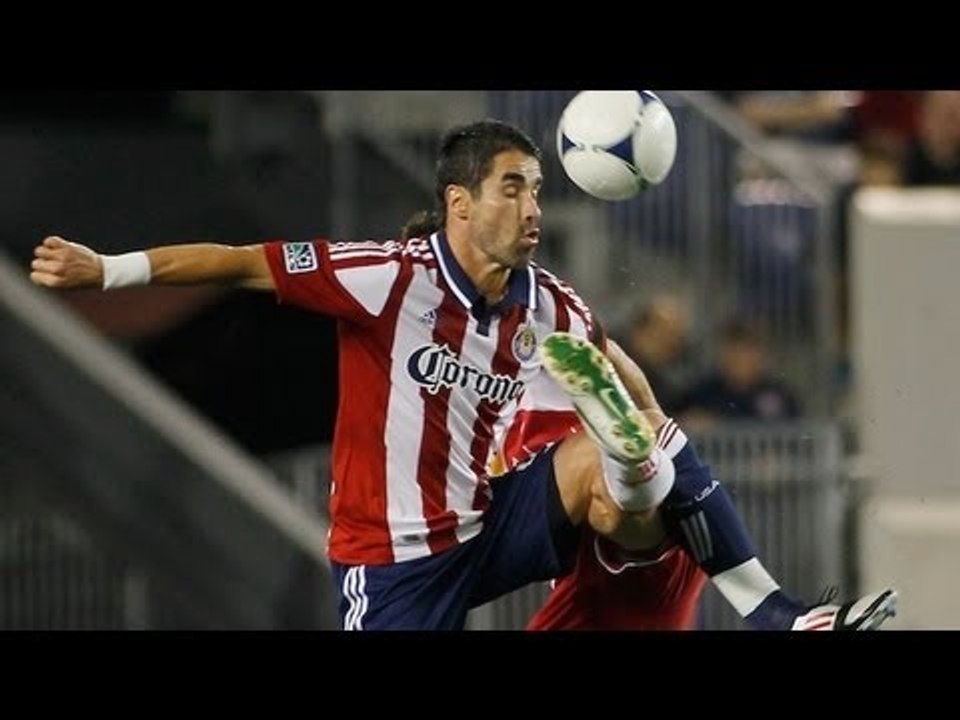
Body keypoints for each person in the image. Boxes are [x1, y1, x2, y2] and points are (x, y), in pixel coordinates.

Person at [30, 119, 680, 630]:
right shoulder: (388, 277)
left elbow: (604, 354)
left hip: (484, 524)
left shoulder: (538, 303)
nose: (532, 207)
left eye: (536, 190)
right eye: (513, 189)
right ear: (460, 204)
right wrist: (107, 269)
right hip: (394, 559)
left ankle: (638, 511)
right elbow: (237, 262)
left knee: (617, 473)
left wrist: (650, 427)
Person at [495, 338, 897, 631]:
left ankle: (633, 467)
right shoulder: (492, 394)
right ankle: (636, 467)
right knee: (645, 445)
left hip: (608, 559)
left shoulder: (533, 324)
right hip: (660, 547)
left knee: (611, 507)